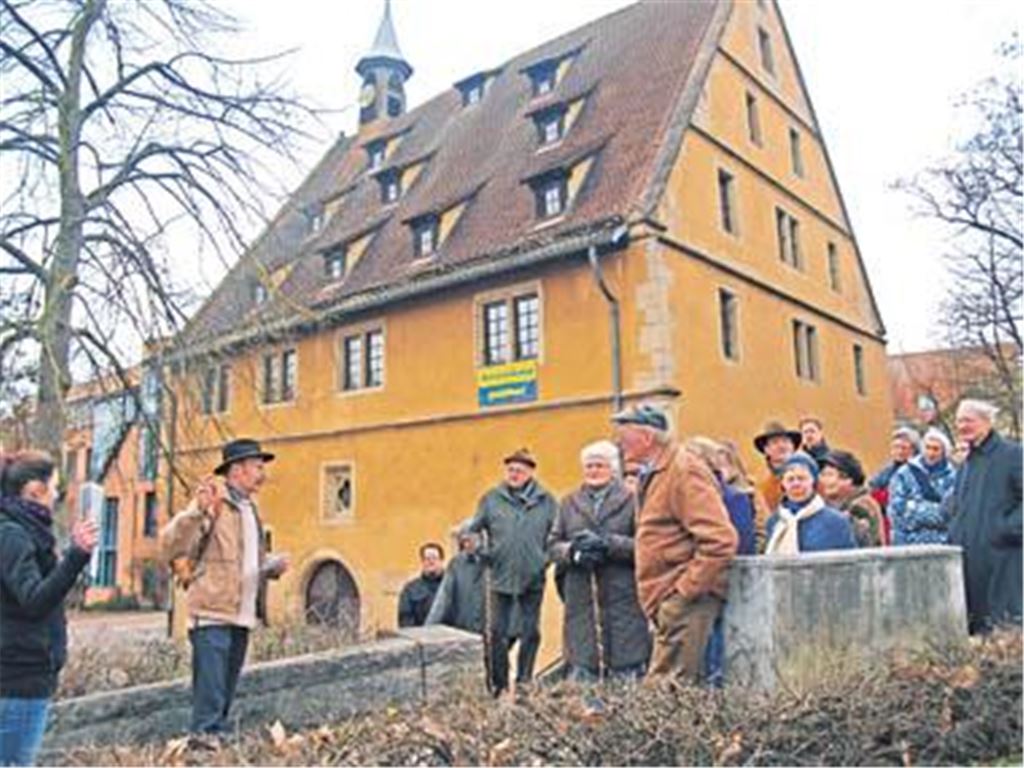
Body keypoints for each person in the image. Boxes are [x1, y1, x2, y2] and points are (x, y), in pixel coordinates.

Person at [160, 438, 289, 746]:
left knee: (225, 694)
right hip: (212, 614)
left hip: (241, 615)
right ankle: (204, 748)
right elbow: (171, 543)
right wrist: (196, 511)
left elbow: (241, 562)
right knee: (210, 699)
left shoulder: (250, 509)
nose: (262, 475)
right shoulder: (213, 504)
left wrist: (268, 568)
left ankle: (217, 748)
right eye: (257, 468)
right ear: (237, 470)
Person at [612, 404, 738, 683]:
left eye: (624, 436)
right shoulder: (659, 470)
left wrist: (684, 592)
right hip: (671, 601)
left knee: (665, 692)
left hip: (685, 603)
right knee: (670, 691)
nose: (619, 444)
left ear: (647, 437)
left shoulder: (683, 470)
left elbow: (720, 540)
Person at [0, 451, 98, 767]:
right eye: (54, 487)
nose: (57, 495)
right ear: (35, 490)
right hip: (18, 678)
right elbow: (35, 600)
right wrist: (76, 556)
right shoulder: (13, 534)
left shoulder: (21, 530)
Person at [548, 440, 650, 682]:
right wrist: (573, 552)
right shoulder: (569, 503)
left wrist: (609, 544)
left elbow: (646, 545)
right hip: (581, 601)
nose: (593, 471)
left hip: (623, 598)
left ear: (613, 469)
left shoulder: (632, 501)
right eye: (589, 466)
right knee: (583, 672)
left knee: (624, 673)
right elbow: (552, 545)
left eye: (599, 465)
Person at [464, 448, 556, 695]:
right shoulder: (491, 499)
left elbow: (556, 534)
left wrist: (544, 560)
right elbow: (473, 529)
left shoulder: (546, 501)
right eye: (511, 470)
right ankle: (500, 685)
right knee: (497, 633)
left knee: (531, 632)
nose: (514, 474)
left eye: (519, 470)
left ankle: (524, 681)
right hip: (500, 574)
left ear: (531, 473)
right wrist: (480, 549)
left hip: (533, 576)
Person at [685, 437, 758, 687]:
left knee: (716, 655)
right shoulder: (686, 495)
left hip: (719, 585)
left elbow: (741, 544)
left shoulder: (733, 498)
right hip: (691, 585)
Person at [948, 400, 1022, 633]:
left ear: (987, 421)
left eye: (968, 420)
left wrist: (1003, 529)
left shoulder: (1013, 455)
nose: (961, 426)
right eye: (958, 421)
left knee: (1003, 628)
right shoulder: (967, 463)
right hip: (969, 560)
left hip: (1003, 560)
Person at [765, 453, 857, 554]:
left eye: (801, 478)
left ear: (813, 482)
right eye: (790, 479)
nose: (796, 484)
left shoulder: (836, 522)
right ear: (783, 484)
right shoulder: (775, 522)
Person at [888, 428, 957, 546]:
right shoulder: (904, 474)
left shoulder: (953, 477)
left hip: (944, 544)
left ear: (944, 452)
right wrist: (936, 511)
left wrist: (916, 507)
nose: (931, 453)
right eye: (927, 447)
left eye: (935, 449)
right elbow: (897, 511)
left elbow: (952, 514)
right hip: (909, 543)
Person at [818, 450, 885, 547]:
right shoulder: (835, 505)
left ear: (848, 480)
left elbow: (864, 543)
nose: (822, 480)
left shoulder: (862, 506)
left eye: (829, 475)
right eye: (822, 475)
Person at [715, 440, 771, 553]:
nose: (720, 470)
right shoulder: (711, 491)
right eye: (717, 466)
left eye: (724, 465)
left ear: (734, 465)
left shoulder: (749, 491)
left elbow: (763, 526)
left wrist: (755, 552)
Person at [425, 531, 486, 634]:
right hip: (464, 632)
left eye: (469, 541)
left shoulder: (495, 562)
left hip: (492, 634)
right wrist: (428, 630)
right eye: (464, 541)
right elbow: (443, 599)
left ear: (481, 539)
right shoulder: (457, 564)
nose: (466, 545)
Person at [753, 421, 802, 512]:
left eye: (785, 441)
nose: (781, 446)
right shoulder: (762, 484)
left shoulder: (807, 473)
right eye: (775, 442)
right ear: (766, 450)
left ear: (793, 446)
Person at [397, 543, 445, 627]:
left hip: (449, 634)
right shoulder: (410, 590)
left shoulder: (452, 587)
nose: (431, 562)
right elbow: (405, 619)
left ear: (441, 561)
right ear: (422, 562)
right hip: (420, 634)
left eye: (434, 558)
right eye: (427, 558)